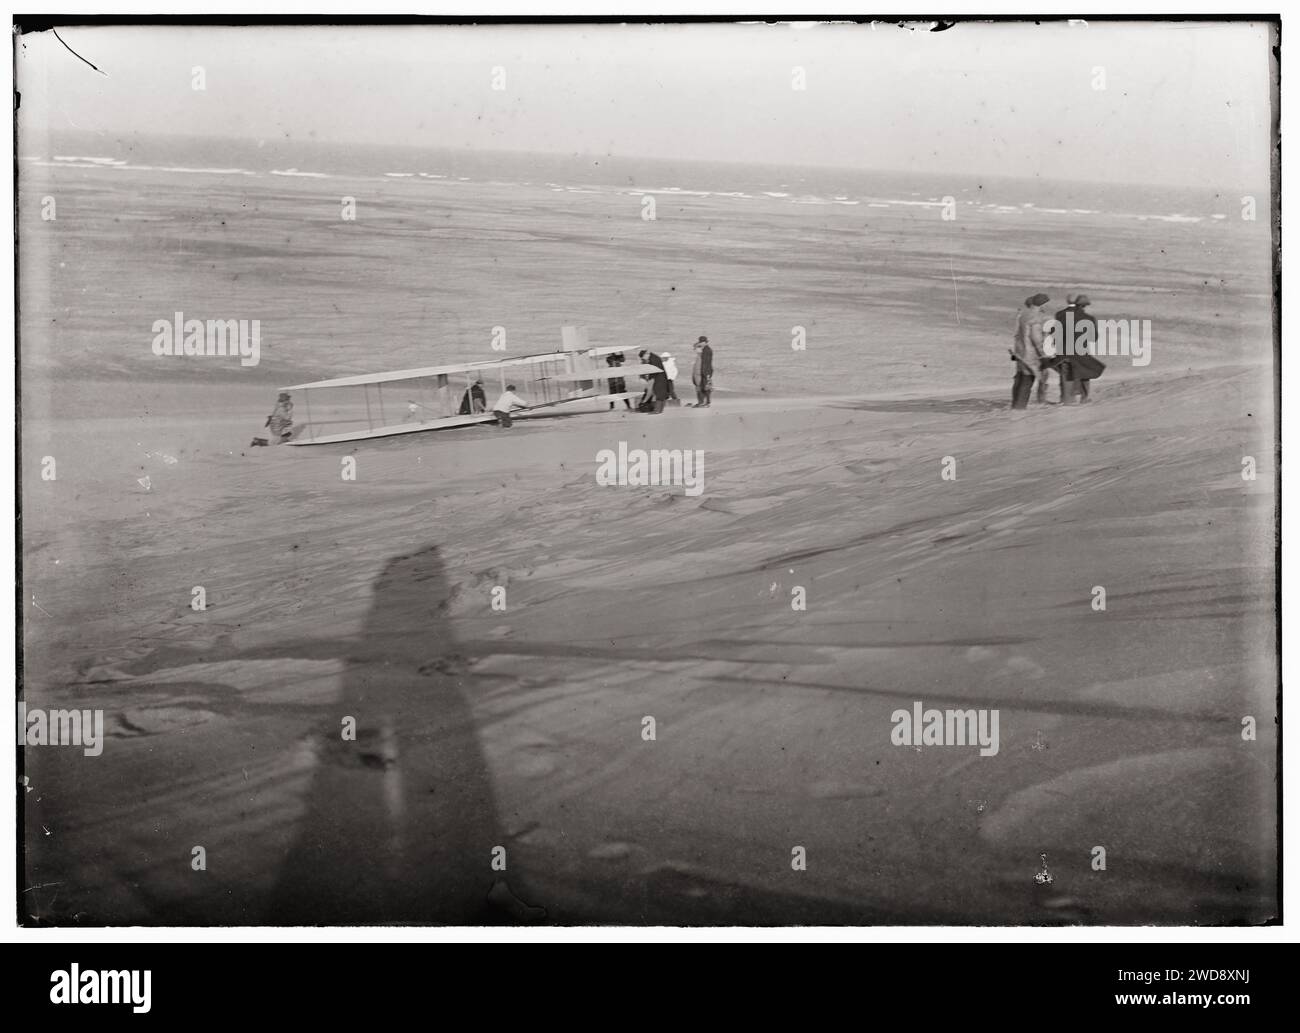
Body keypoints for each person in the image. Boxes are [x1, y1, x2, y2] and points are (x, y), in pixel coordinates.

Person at [1010, 293, 1050, 409]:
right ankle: (1020, 407)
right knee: (1027, 381)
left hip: (1020, 351)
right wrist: (1043, 355)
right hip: (1030, 355)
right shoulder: (1035, 318)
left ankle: (1015, 405)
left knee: (1019, 378)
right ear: (1042, 304)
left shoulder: (1023, 314)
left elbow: (1017, 333)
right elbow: (1036, 339)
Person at [637, 349, 669, 414]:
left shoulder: (653, 359)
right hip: (661, 377)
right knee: (660, 393)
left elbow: (653, 371)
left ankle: (657, 410)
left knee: (659, 392)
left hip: (659, 378)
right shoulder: (653, 357)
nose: (644, 359)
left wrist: (644, 401)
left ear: (645, 355)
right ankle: (659, 410)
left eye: (643, 358)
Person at [691, 336, 714, 407]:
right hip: (702, 371)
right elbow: (694, 347)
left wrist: (707, 374)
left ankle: (706, 402)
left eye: (702, 342)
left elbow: (706, 363)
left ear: (705, 342)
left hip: (705, 371)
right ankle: (702, 402)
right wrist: (697, 345)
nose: (701, 343)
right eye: (700, 342)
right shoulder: (703, 349)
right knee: (701, 387)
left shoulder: (707, 350)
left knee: (706, 387)